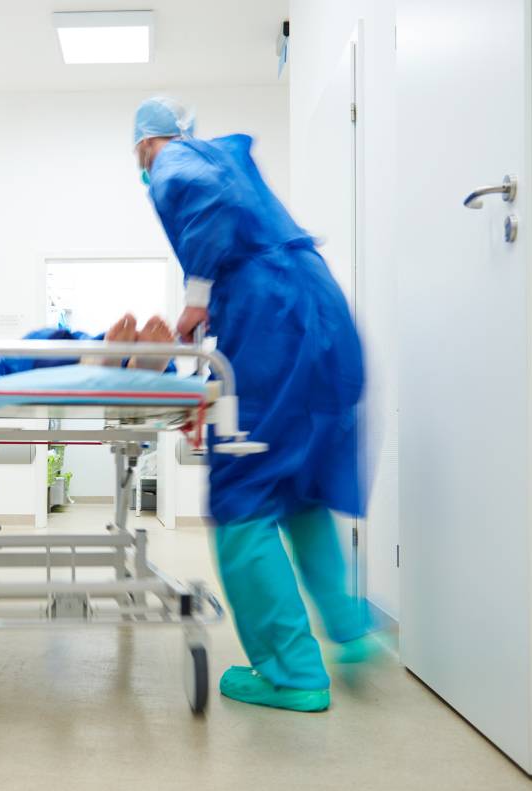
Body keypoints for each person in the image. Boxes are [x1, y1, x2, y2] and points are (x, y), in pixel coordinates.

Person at [134, 96, 374, 712]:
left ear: (144, 145)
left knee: (243, 495)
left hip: (274, 327)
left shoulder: (175, 158)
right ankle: (346, 623)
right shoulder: (233, 166)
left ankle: (292, 673)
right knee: (298, 486)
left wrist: (195, 294)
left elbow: (203, 194)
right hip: (319, 313)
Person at [0, 313, 175, 378]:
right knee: (71, 344)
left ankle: (97, 360)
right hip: (66, 343)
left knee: (15, 360)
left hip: (36, 354)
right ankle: (131, 363)